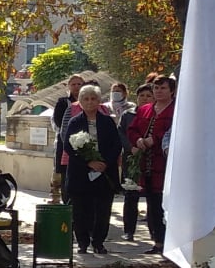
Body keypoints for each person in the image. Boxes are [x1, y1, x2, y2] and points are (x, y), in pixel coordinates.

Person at [59, 83, 123, 255]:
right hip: (81, 173)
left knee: (102, 209)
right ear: (80, 101)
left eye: (93, 98)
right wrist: (89, 162)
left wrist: (104, 163)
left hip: (104, 172)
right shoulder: (75, 122)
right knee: (81, 210)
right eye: (86, 99)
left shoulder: (107, 121)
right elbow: (69, 146)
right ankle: (82, 242)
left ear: (99, 101)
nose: (89, 102)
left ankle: (99, 242)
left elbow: (116, 145)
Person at [139, 75, 177, 250]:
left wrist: (155, 139)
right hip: (147, 163)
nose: (159, 91)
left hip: (166, 163)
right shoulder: (145, 109)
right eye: (156, 88)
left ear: (172, 91)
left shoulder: (176, 110)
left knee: (166, 201)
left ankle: (170, 241)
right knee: (152, 202)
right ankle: (157, 240)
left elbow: (174, 132)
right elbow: (133, 129)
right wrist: (138, 140)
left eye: (163, 88)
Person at [118, 81, 155, 240]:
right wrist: (131, 147)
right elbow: (121, 134)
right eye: (142, 95)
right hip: (131, 159)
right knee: (131, 195)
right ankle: (129, 231)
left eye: (148, 96)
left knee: (153, 196)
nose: (145, 98)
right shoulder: (128, 115)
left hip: (151, 159)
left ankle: (154, 232)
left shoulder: (156, 114)